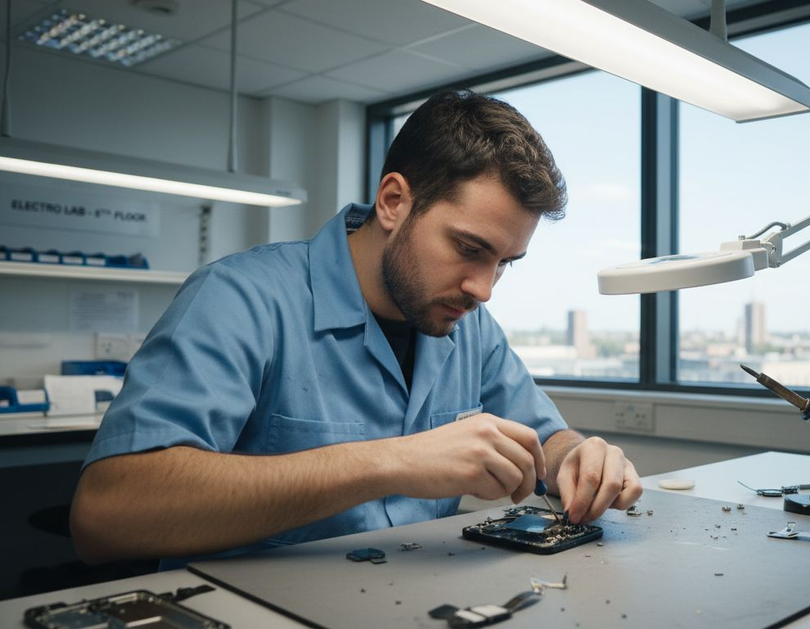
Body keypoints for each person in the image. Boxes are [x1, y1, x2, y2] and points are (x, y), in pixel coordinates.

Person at [69, 90, 642, 565]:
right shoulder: (240, 299)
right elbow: (108, 515)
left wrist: (577, 457)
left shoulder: (467, 324)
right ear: (394, 201)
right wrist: (391, 460)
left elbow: (545, 438)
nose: (483, 288)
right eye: (469, 248)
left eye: (504, 264)